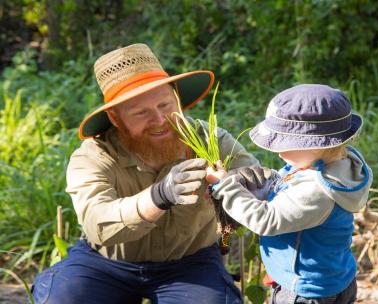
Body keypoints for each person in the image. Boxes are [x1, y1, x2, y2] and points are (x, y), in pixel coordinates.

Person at [30, 43, 259, 304]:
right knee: (63, 299)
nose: (160, 120)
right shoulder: (94, 156)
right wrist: (160, 195)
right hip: (106, 261)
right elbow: (97, 222)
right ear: (116, 119)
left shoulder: (211, 141)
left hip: (190, 262)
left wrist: (234, 185)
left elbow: (255, 180)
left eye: (165, 105)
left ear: (177, 98)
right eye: (142, 113)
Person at [207, 84, 373, 303]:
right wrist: (270, 183)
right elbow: (295, 187)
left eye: (283, 143)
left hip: (305, 291)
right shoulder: (339, 164)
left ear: (314, 146)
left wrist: (226, 186)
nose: (277, 150)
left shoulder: (318, 191)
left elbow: (266, 220)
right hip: (336, 278)